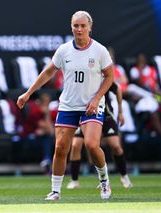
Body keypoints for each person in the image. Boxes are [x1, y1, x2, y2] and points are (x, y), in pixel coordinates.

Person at [17, 10, 114, 200]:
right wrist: (28, 93)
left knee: (91, 145)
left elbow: (110, 76)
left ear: (90, 27)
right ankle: (55, 191)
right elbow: (47, 72)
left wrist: (96, 99)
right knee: (61, 147)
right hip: (68, 105)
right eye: (75, 25)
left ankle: (104, 180)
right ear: (71, 27)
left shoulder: (99, 51)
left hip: (91, 105)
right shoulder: (64, 50)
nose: (79, 29)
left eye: (82, 26)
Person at [67, 82, 133, 189]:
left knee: (115, 145)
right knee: (75, 145)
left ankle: (124, 175)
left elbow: (117, 90)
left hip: (105, 114)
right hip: (84, 114)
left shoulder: (102, 76)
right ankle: (74, 180)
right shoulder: (79, 75)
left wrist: (120, 112)